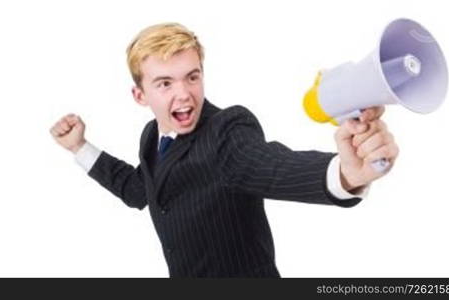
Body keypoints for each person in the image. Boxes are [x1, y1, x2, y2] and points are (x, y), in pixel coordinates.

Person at [49, 23, 398, 277]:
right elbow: (141, 190)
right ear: (141, 95)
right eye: (165, 83)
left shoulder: (227, 130)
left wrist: (346, 174)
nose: (184, 94)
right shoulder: (151, 136)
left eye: (192, 76)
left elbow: (269, 166)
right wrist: (79, 147)